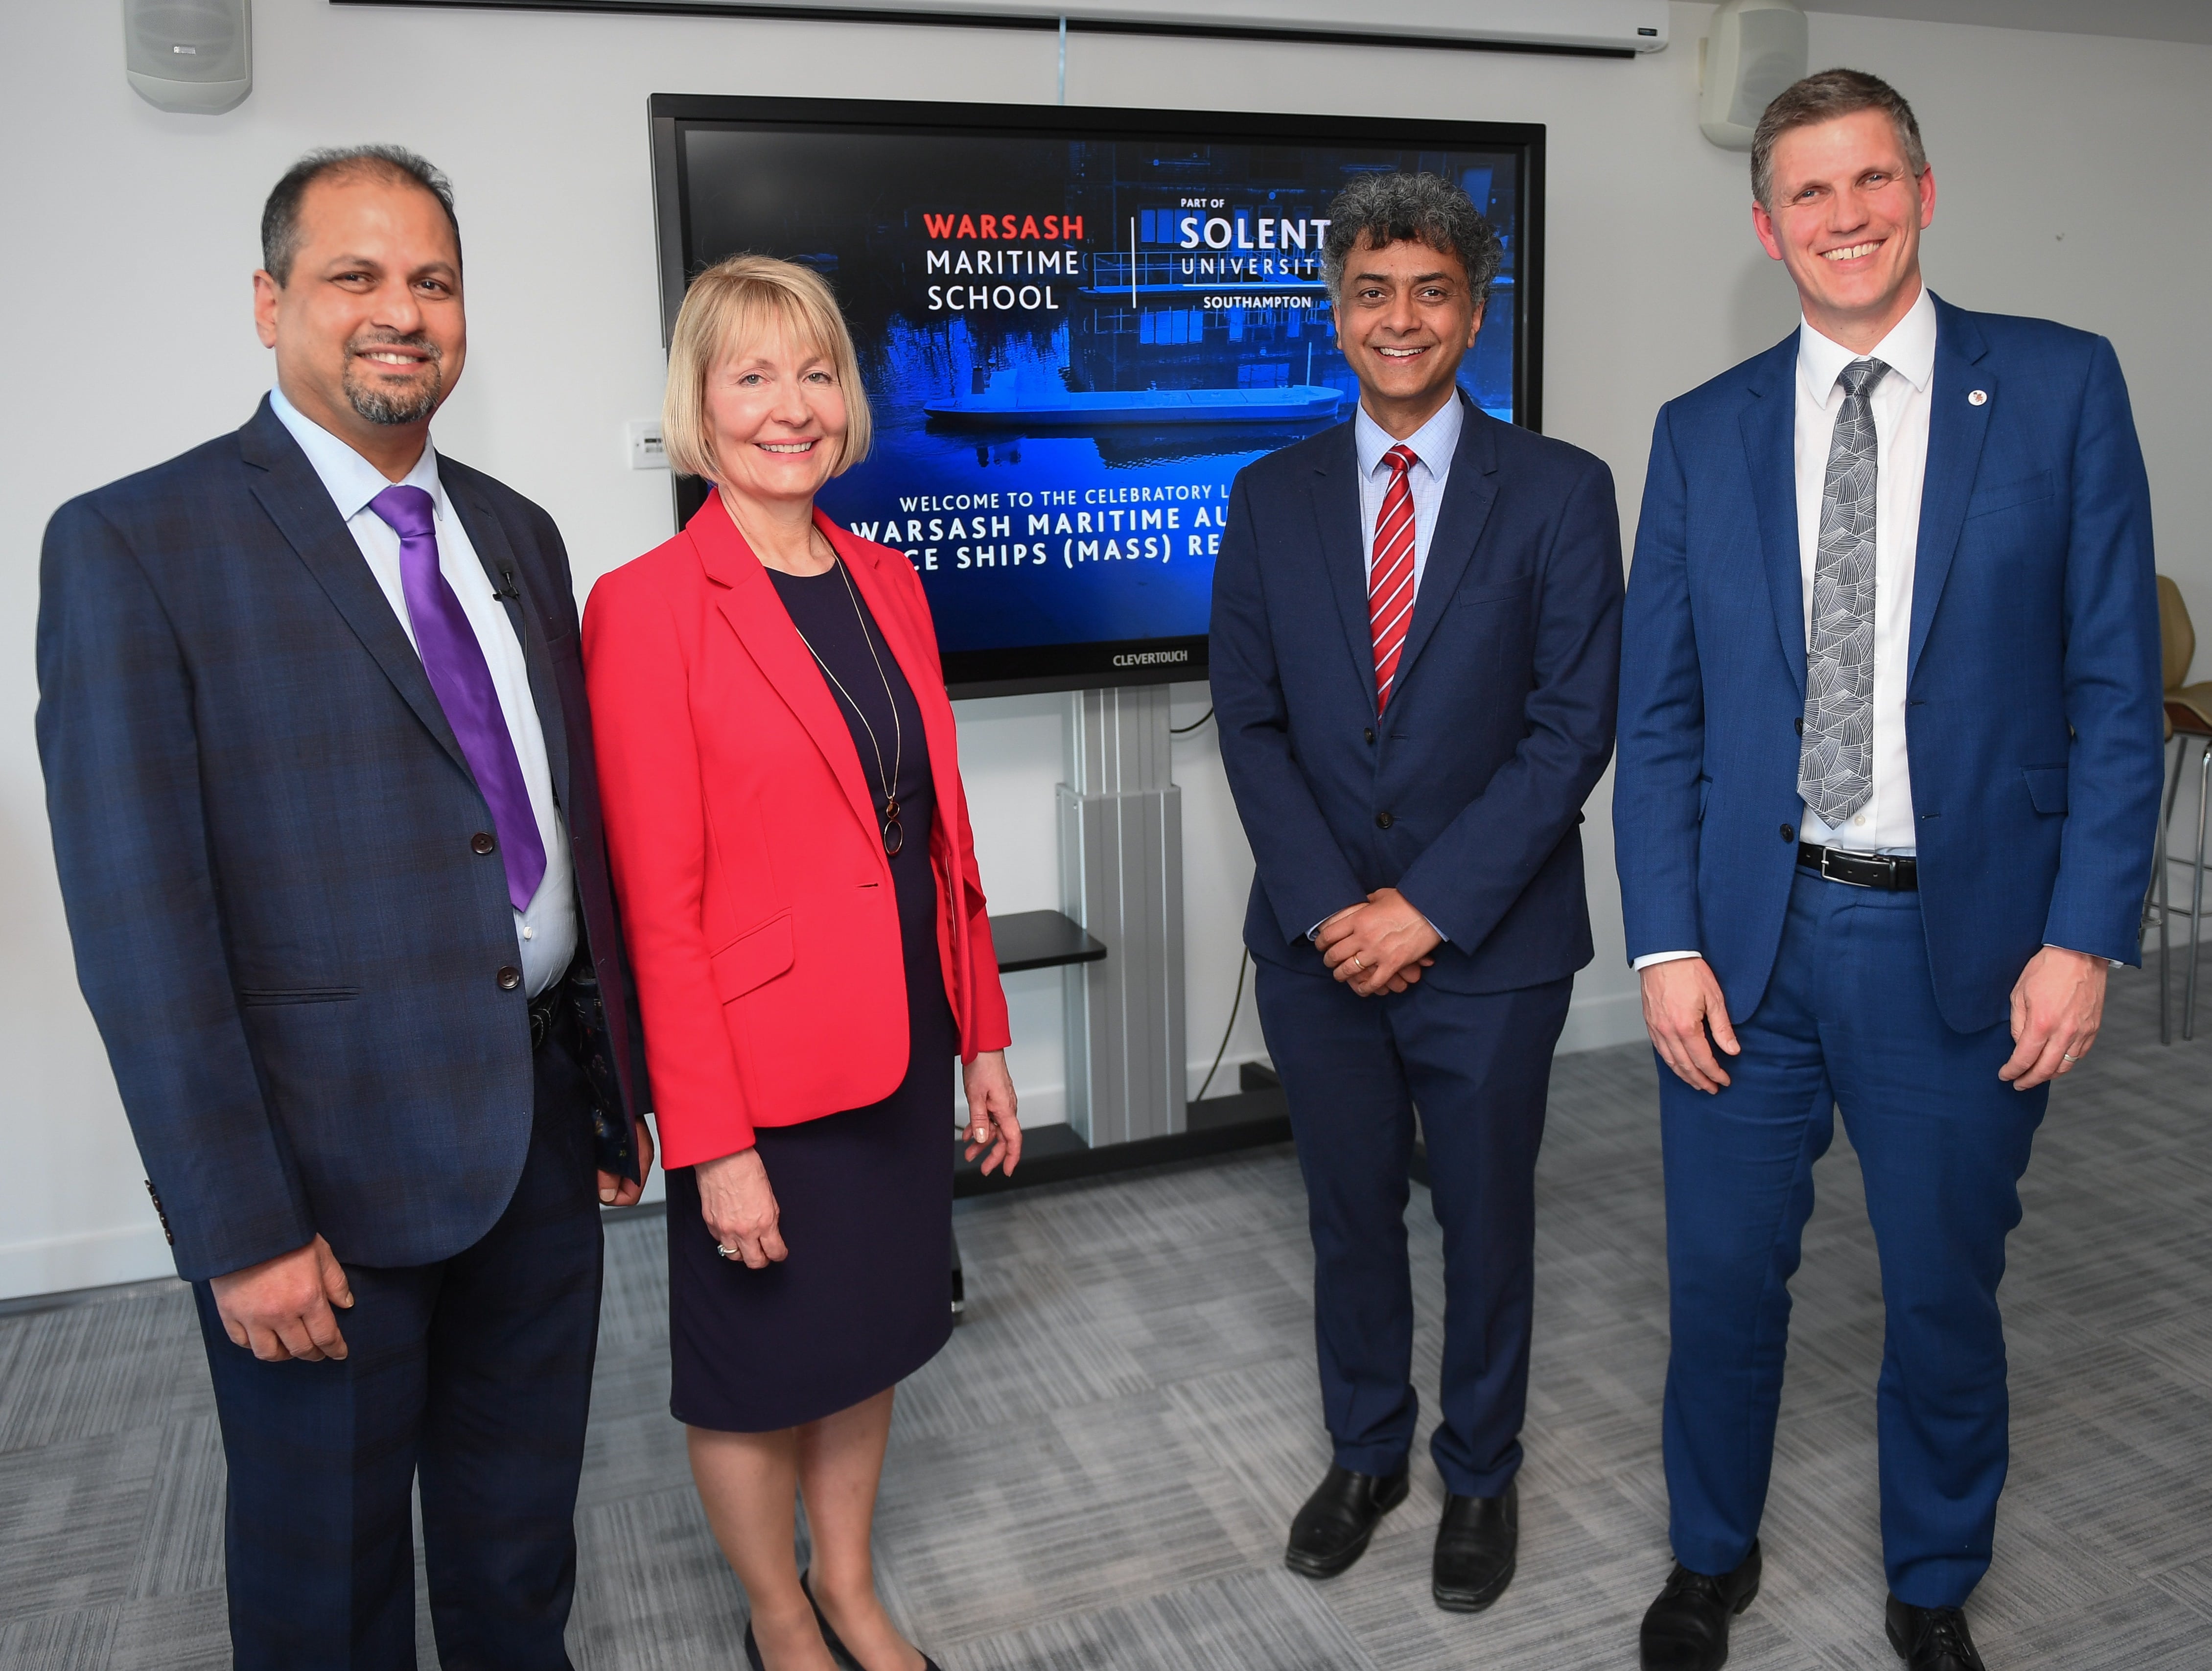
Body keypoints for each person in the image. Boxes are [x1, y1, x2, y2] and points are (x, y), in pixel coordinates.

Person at [35, 146, 651, 1669]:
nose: (401, 313)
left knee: (520, 1551)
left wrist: (602, 1084)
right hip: (317, 1182)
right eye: (355, 277)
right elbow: (139, 923)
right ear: (270, 303)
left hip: (532, 1142)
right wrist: (238, 1228)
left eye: (431, 281)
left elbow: (549, 822)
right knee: (331, 1590)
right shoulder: (136, 546)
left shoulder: (517, 532)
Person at [1616, 70, 2164, 1671]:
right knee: (1721, 1286)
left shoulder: (2060, 391)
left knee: (1940, 1296)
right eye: (1809, 193)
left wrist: (2087, 939)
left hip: (1970, 946)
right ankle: (1707, 1558)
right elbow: (1662, 723)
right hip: (1748, 940)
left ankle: (1933, 1580)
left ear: (1923, 193)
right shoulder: (1703, 433)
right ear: (1766, 224)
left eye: (1871, 183)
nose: (1842, 217)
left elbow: (2115, 694)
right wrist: (1662, 944)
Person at [583, 254, 1020, 1671]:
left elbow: (939, 838)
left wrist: (987, 1035)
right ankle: (781, 1617)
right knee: (760, 1368)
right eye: (753, 375)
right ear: (700, 406)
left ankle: (851, 1587)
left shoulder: (890, 579)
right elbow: (658, 903)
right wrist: (713, 1141)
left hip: (904, 1039)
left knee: (872, 1334)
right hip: (762, 1078)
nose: (792, 407)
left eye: (817, 371)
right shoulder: (649, 606)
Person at [1211, 172, 1624, 1615]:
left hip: (1492, 944)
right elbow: (1248, 720)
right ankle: (1368, 1452)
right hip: (1316, 944)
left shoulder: (1564, 492)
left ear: (1475, 309)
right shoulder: (1268, 500)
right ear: (1338, 315)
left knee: (1490, 1220)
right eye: (1374, 292)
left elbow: (1573, 727)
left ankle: (1483, 1471)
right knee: (1346, 1215)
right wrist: (1338, 907)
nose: (1403, 319)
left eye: (1432, 291)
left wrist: (1425, 910)